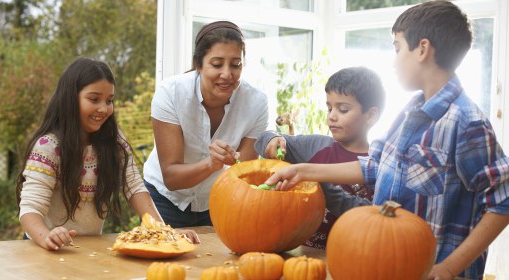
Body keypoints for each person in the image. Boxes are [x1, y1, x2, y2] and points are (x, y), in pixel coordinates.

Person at [264, 1, 509, 279]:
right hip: (388, 268)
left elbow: (503, 201)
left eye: (397, 48)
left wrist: (449, 268)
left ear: (423, 49)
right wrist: (303, 170)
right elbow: (374, 166)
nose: (393, 60)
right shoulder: (409, 112)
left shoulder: (466, 122)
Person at [16, 57, 199, 251]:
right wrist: (47, 237)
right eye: (94, 99)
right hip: (43, 248)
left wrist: (164, 232)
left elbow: (134, 187)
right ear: (70, 98)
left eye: (109, 100)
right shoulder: (48, 147)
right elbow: (30, 208)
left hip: (87, 249)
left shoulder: (114, 140)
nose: (104, 109)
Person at [143, 21, 269, 228]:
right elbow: (171, 177)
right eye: (217, 64)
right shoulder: (170, 93)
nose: (227, 74)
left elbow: (242, 174)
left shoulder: (256, 103)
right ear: (198, 64)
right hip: (164, 199)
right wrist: (212, 164)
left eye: (236, 65)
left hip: (216, 200)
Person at [254, 66, 385, 250]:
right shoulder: (316, 146)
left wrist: (324, 188)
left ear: (370, 115)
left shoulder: (382, 165)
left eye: (343, 109)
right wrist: (273, 139)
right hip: (305, 256)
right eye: (329, 107)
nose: (332, 116)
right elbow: (262, 138)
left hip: (355, 258)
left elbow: (374, 215)